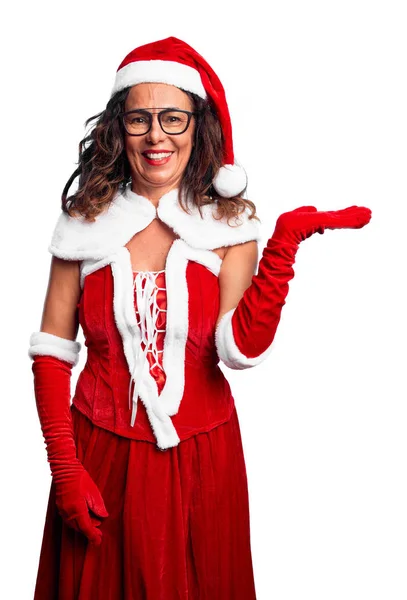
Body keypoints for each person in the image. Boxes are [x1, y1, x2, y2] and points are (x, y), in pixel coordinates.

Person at [28, 36, 371, 599]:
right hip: (100, 452)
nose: (156, 135)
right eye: (139, 119)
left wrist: (283, 245)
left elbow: (241, 350)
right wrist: (64, 468)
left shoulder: (229, 228)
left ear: (197, 126)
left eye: (172, 118)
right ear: (118, 129)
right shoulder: (84, 224)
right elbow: (52, 352)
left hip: (203, 459)